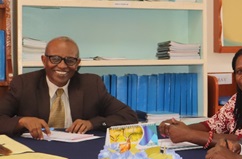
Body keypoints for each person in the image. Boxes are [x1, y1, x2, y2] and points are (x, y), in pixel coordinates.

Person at [0, 36, 138, 139]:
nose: (62, 66)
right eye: (55, 59)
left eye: (69, 60)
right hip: (37, 151)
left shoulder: (91, 85)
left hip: (78, 154)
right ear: (44, 60)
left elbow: (129, 116)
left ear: (77, 63)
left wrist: (92, 123)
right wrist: (22, 121)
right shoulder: (24, 84)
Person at [159, 45, 242, 147]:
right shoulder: (239, 98)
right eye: (239, 72)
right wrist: (176, 128)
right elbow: (213, 124)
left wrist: (189, 134)